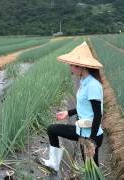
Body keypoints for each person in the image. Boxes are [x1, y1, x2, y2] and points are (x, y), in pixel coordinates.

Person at [41, 42, 104, 172]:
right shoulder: (84, 81)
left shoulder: (92, 85)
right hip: (81, 131)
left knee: (92, 171)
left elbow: (98, 114)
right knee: (52, 129)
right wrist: (68, 113)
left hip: (90, 135)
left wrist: (91, 142)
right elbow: (85, 106)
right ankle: (54, 163)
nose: (70, 68)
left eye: (71, 65)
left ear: (80, 66)